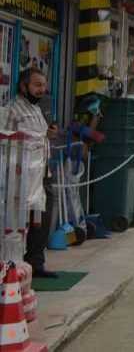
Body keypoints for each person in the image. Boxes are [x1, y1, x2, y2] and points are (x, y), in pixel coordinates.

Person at [7, 68, 58, 278]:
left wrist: (49, 135)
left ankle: (36, 263)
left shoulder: (38, 109)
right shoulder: (12, 110)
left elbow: (41, 137)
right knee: (19, 220)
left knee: (42, 218)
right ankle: (14, 264)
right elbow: (6, 137)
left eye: (43, 86)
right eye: (37, 85)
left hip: (43, 172)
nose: (41, 90)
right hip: (20, 176)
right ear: (23, 86)